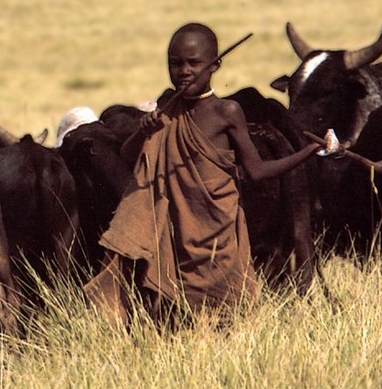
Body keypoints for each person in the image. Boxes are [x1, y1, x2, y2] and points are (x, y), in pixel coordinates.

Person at [83, 22, 335, 326]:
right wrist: (142, 133)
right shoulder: (165, 109)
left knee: (225, 316)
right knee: (170, 320)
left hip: (219, 232)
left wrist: (307, 152)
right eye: (175, 64)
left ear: (214, 65)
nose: (184, 71)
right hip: (175, 233)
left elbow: (256, 171)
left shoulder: (227, 112)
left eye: (194, 63)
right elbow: (127, 156)